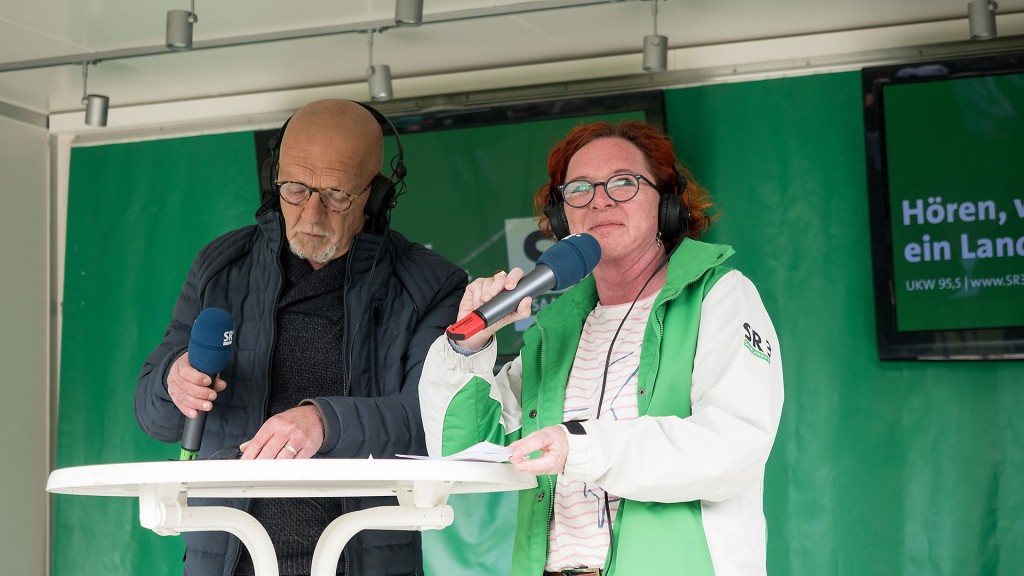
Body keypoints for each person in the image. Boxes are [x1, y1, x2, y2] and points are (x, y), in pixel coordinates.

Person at [419, 120, 784, 576]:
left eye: (623, 183)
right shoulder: (556, 330)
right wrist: (469, 347)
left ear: (667, 203)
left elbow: (732, 447)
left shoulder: (721, 296)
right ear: (560, 217)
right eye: (579, 189)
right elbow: (465, 450)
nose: (600, 199)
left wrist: (582, 448)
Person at [135, 99, 468, 576]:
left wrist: (324, 422)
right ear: (274, 179)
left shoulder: (430, 284)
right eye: (295, 189)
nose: (312, 215)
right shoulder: (220, 267)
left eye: (336, 194)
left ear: (376, 196)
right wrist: (174, 382)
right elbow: (155, 419)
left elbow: (436, 421)